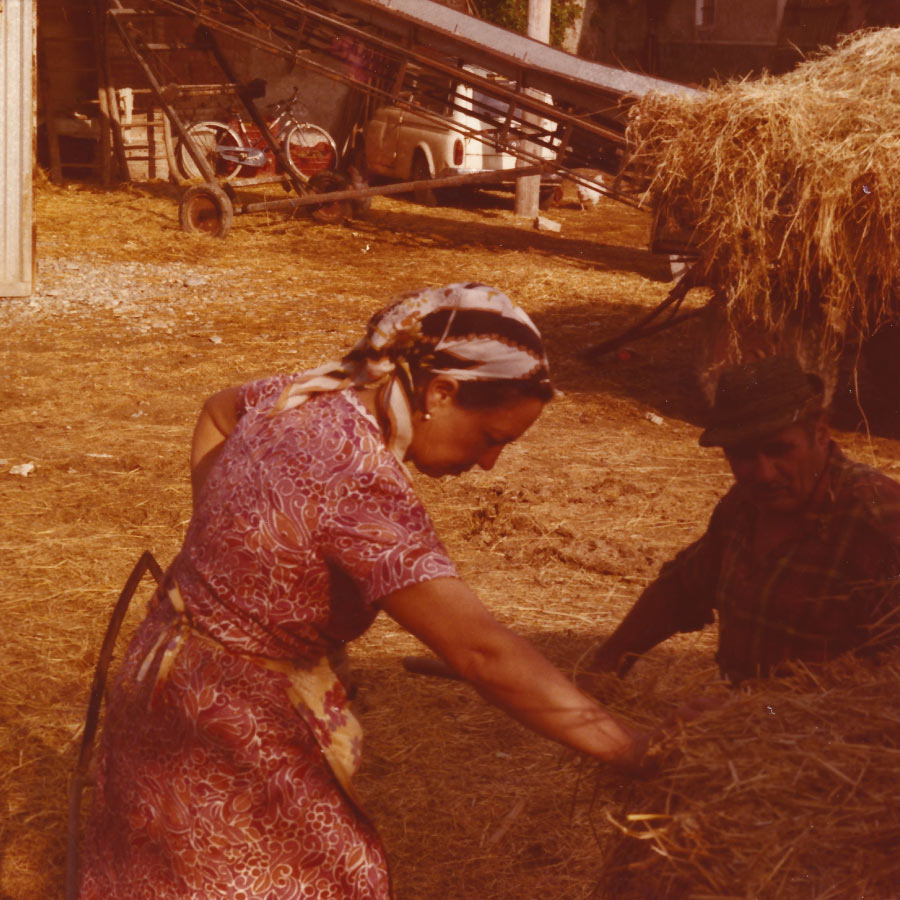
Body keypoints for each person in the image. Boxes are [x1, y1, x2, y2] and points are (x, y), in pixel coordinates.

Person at [78, 283, 651, 900]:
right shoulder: (357, 482)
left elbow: (219, 411)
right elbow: (481, 652)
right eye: (493, 439)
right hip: (225, 724)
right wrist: (633, 751)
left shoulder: (311, 396)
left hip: (167, 678)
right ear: (442, 392)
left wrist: (224, 558)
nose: (490, 465)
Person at [583, 355, 900, 686]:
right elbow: (682, 588)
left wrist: (753, 712)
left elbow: (889, 680)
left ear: (820, 433)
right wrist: (608, 662)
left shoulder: (875, 517)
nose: (763, 473)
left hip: (825, 731)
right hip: (747, 724)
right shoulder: (743, 506)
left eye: (779, 449)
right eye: (744, 455)